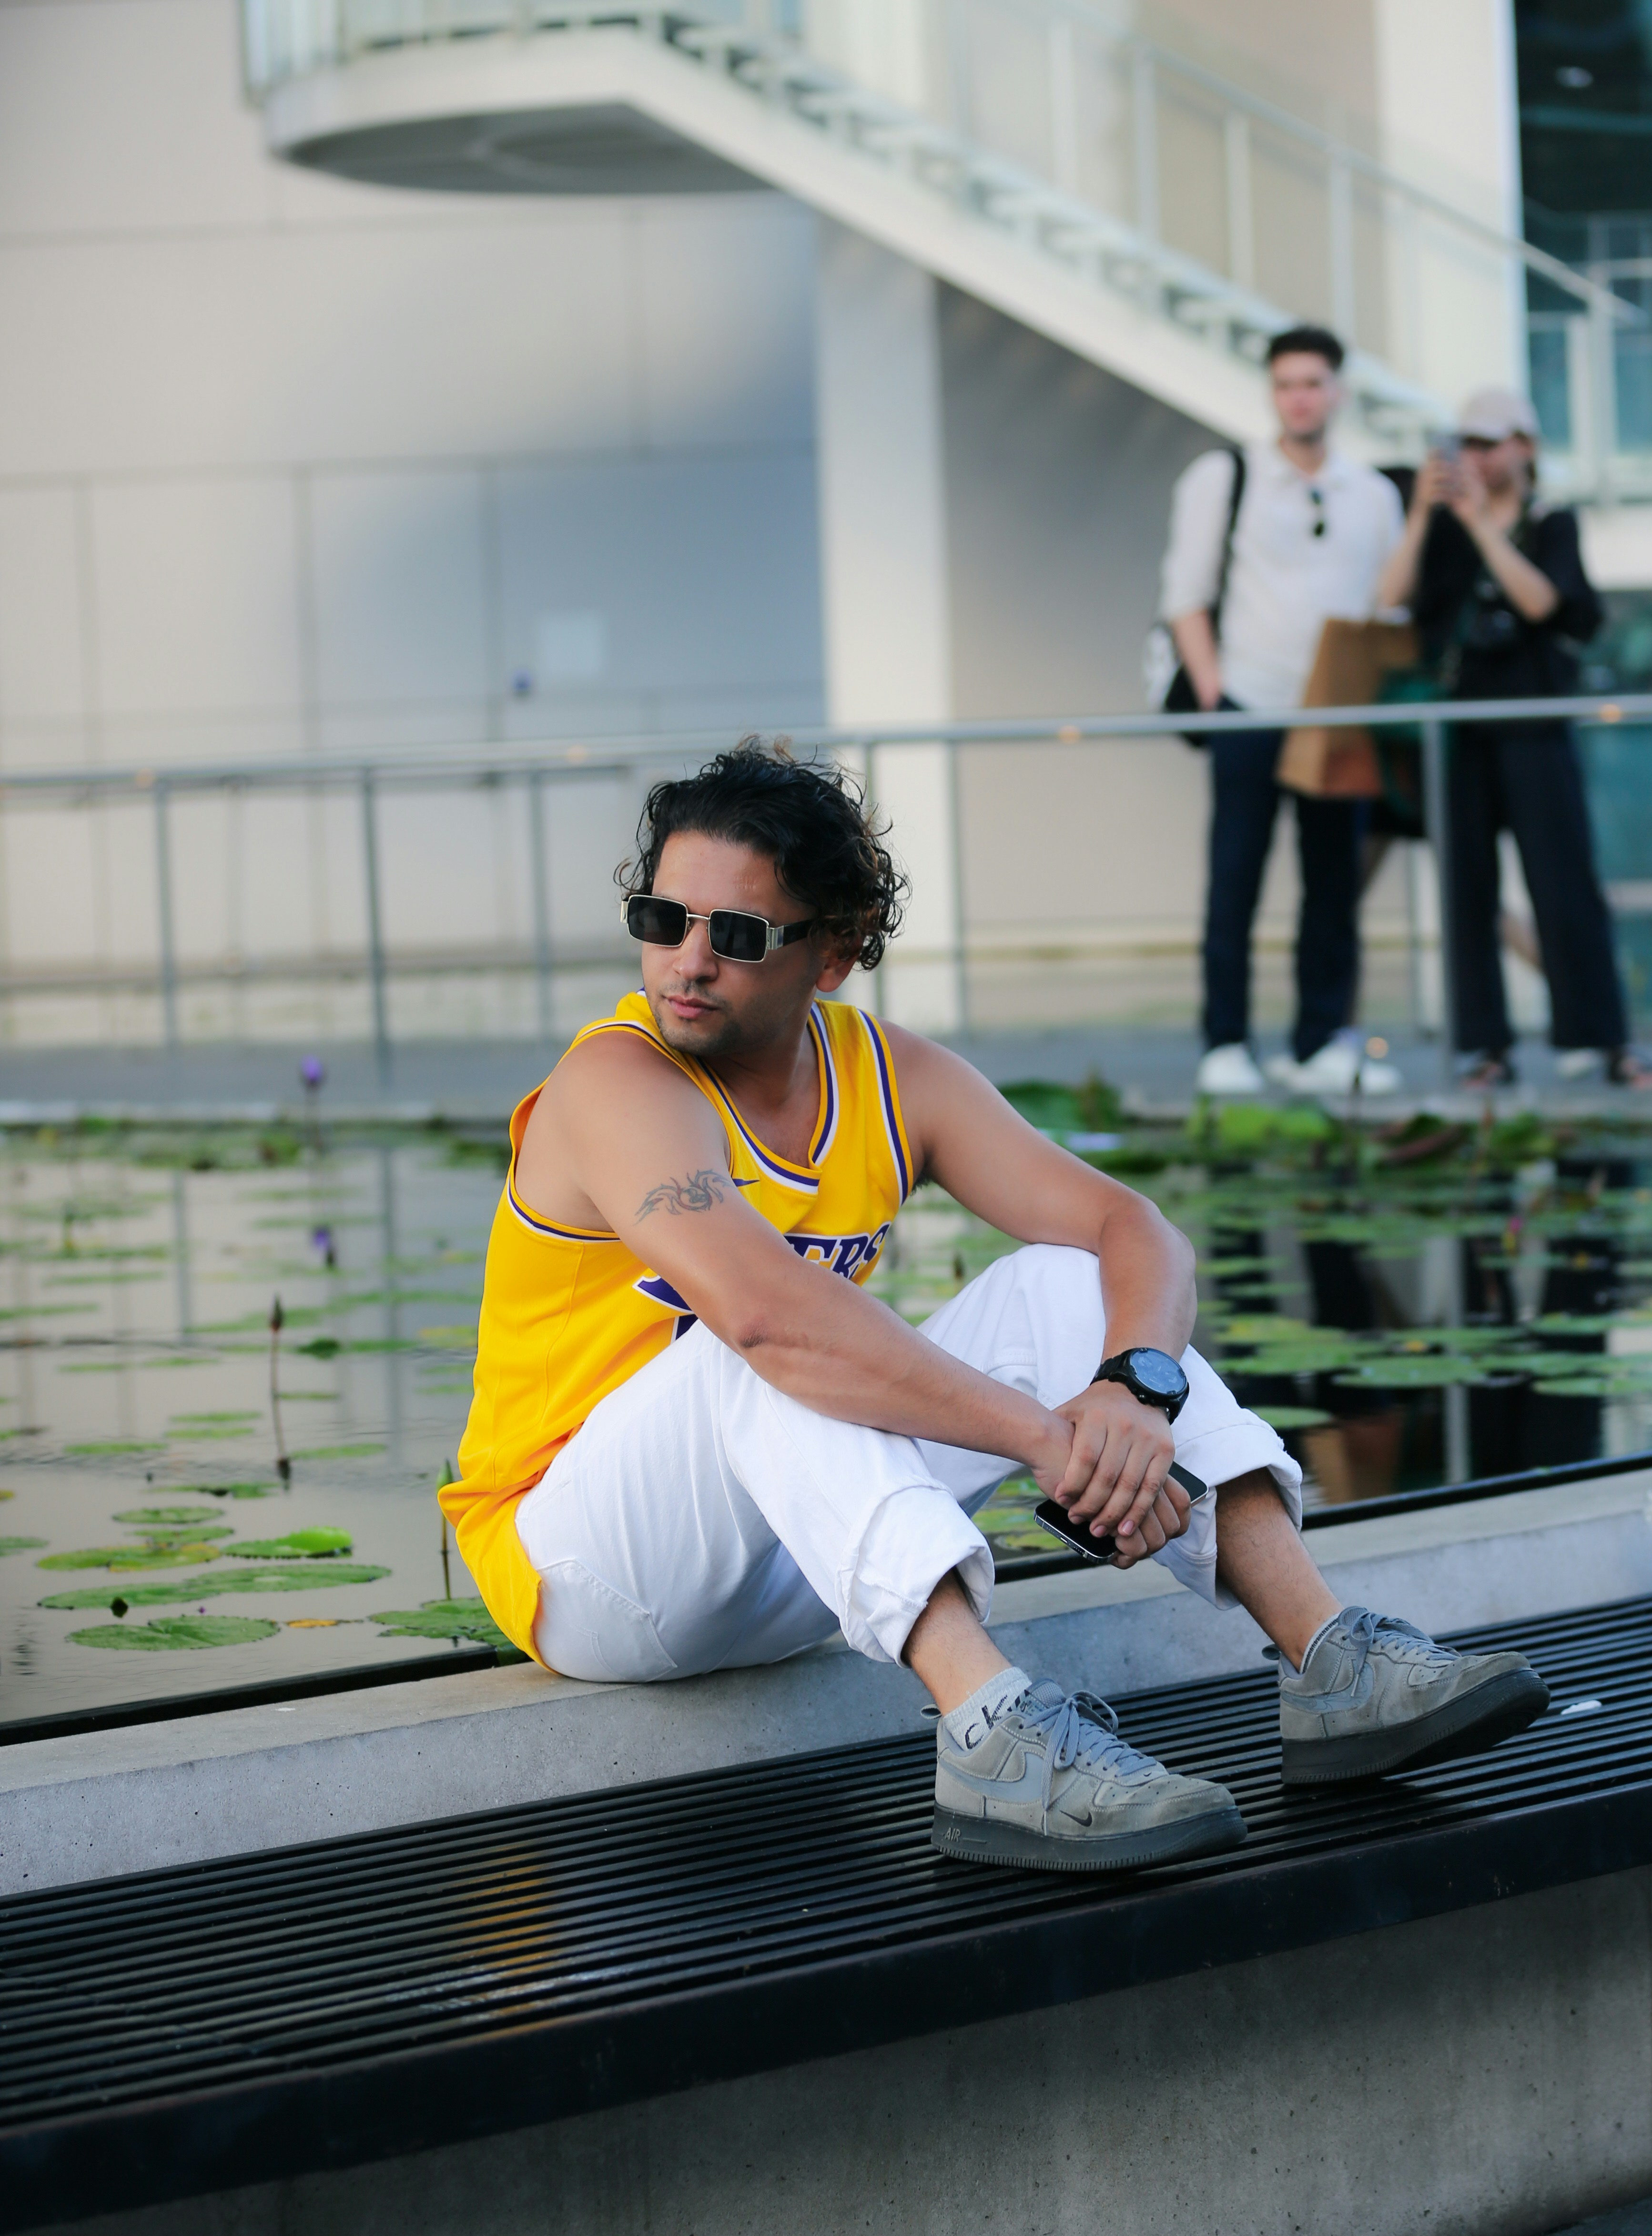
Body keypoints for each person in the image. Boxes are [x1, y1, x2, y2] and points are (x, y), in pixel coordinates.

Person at [440, 743, 1547, 1875]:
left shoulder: (888, 1075)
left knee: (1064, 1281)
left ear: (833, 949)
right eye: (661, 916)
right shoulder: (615, 1082)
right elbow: (768, 1319)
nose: (684, 961)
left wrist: (1132, 1392)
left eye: (734, 934)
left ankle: (1333, 1660)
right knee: (767, 1339)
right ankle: (990, 1732)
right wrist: (1052, 1441)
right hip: (581, 1563)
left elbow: (1136, 1231)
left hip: (794, 1552)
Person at [1378, 386, 1652, 1092]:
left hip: (1534, 724)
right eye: (1464, 444)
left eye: (1487, 443)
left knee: (1564, 886)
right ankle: (1486, 1047)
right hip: (1461, 730)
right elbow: (1390, 598)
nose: (1473, 457)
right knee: (1467, 892)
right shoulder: (1441, 525)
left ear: (1524, 447)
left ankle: (1603, 1041)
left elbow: (1545, 604)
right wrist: (1423, 514)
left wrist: (1481, 527)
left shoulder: (1549, 523)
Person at [1159, 324, 1405, 1100]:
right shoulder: (1225, 475)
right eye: (1286, 383)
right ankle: (1225, 1041)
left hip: (1336, 715)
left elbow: (1386, 608)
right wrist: (1215, 696)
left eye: (1313, 382)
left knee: (1334, 886)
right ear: (1273, 392)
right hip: (1250, 707)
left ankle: (1321, 1040)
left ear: (1338, 391)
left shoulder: (1373, 493)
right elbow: (1185, 598)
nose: (1300, 397)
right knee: (1235, 879)